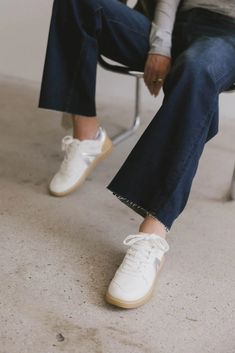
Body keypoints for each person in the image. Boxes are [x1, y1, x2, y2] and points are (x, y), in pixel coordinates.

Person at [38, 0, 235, 309]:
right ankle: (88, 135)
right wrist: (161, 45)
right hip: (169, 23)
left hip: (226, 36)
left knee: (197, 70)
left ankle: (152, 236)